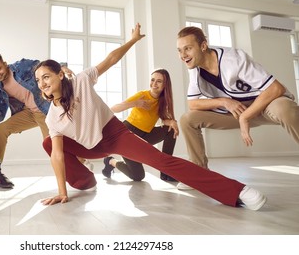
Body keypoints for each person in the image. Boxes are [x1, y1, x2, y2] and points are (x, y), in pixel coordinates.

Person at [34, 23, 266, 211]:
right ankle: (87, 180)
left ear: (60, 75)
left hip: (114, 134)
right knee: (48, 142)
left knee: (161, 161)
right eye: (38, 80)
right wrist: (62, 192)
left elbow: (111, 59)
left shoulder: (81, 81)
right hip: (90, 147)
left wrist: (133, 40)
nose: (42, 83)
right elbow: (56, 153)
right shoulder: (52, 117)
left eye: (46, 76)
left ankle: (236, 191)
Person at [176, 26, 299, 189]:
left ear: (203, 46)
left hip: (265, 103)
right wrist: (224, 102)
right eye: (179, 50)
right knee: (187, 119)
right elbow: (193, 104)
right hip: (236, 111)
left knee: (285, 109)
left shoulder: (232, 59)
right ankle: (200, 174)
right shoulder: (195, 69)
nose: (183, 55)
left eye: (188, 49)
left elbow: (276, 89)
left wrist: (246, 116)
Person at [0, 52, 93, 185]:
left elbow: (44, 66)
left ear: (4, 64)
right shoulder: (0, 89)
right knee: (2, 129)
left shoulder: (21, 66)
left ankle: (83, 162)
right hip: (28, 112)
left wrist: (61, 68)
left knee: (52, 145)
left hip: (44, 109)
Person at [102, 68, 179, 182]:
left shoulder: (163, 100)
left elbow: (163, 119)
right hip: (128, 135)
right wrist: (136, 103)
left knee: (170, 130)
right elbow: (114, 108)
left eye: (159, 81)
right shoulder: (142, 95)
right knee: (138, 176)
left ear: (165, 84)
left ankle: (166, 172)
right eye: (152, 80)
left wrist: (172, 122)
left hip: (145, 135)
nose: (154, 84)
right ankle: (110, 161)